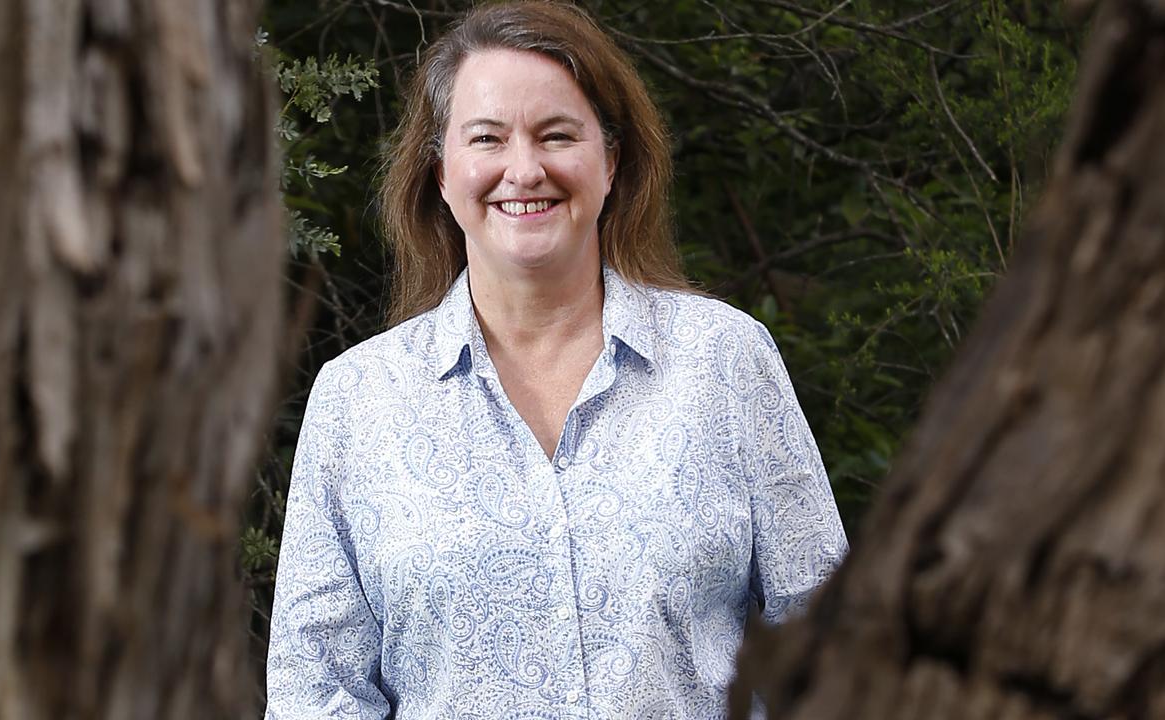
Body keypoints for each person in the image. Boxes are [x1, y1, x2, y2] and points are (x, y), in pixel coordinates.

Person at [265, 1, 848, 718]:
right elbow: (316, 696)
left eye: (556, 135)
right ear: (441, 172)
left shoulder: (724, 360)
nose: (524, 169)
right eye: (486, 138)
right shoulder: (356, 401)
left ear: (611, 160)